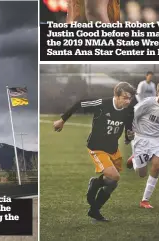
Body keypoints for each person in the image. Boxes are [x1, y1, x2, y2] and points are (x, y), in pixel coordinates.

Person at [53, 82, 136, 221]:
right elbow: (80, 103)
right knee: (115, 177)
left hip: (113, 149)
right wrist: (62, 120)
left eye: (130, 98)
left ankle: (94, 210)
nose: (127, 101)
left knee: (112, 184)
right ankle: (96, 184)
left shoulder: (129, 109)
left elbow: (128, 124)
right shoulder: (102, 104)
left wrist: (128, 136)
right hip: (97, 147)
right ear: (116, 95)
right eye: (125, 97)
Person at [127, 81, 159, 209]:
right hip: (141, 138)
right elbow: (133, 114)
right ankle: (134, 160)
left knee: (156, 166)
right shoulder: (148, 103)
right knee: (142, 173)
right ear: (157, 93)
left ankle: (145, 200)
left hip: (157, 140)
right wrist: (130, 130)